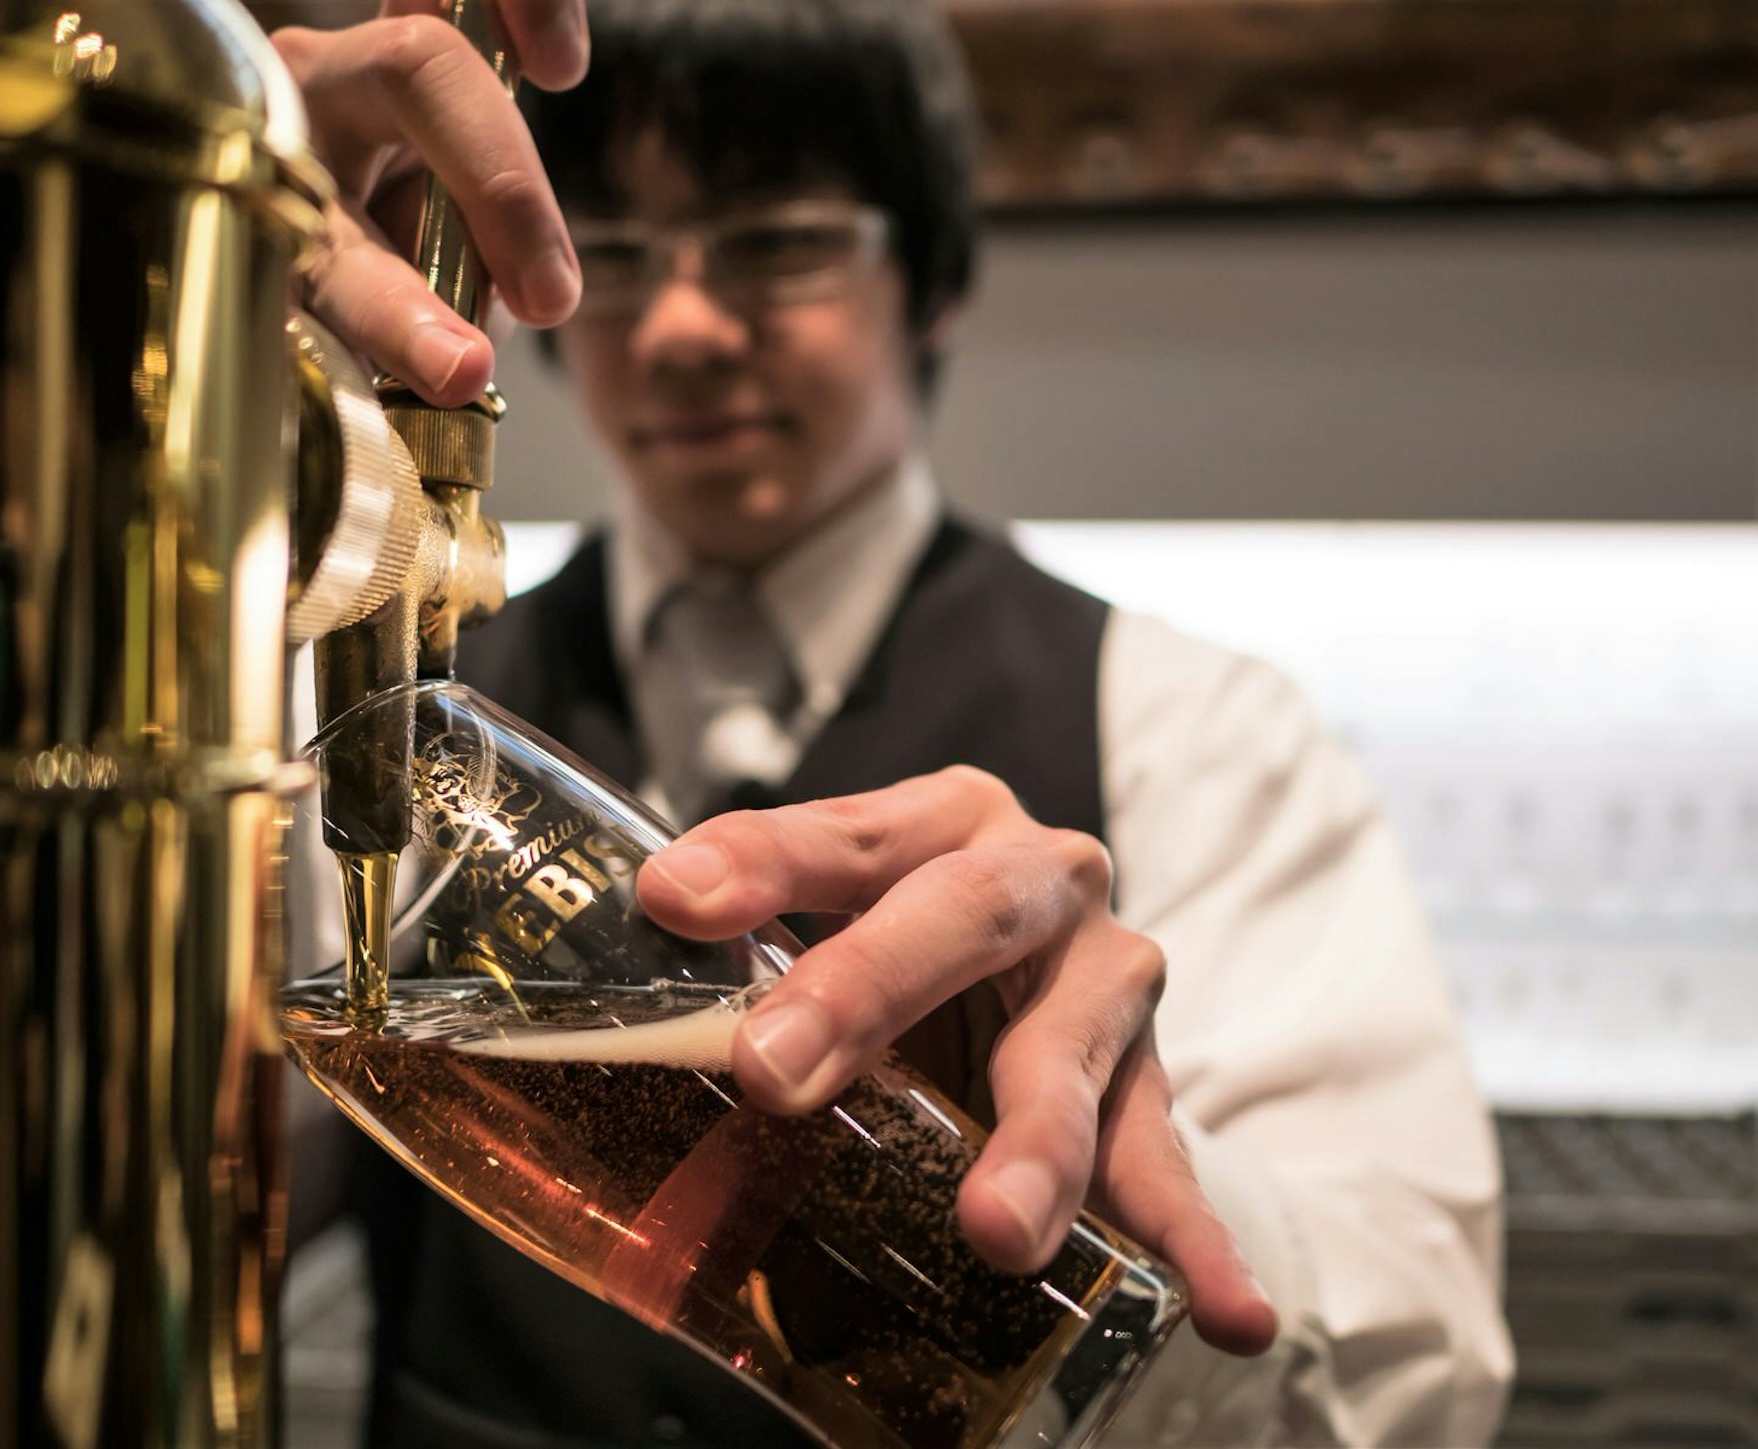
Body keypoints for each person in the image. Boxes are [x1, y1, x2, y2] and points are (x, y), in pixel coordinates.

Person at [273, 1, 1514, 1443]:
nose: (677, 327)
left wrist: (1105, 1224)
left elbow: (1418, 1357)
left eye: (774, 245)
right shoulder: (371, 717)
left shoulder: (1190, 724)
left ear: (930, 278)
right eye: (611, 257)